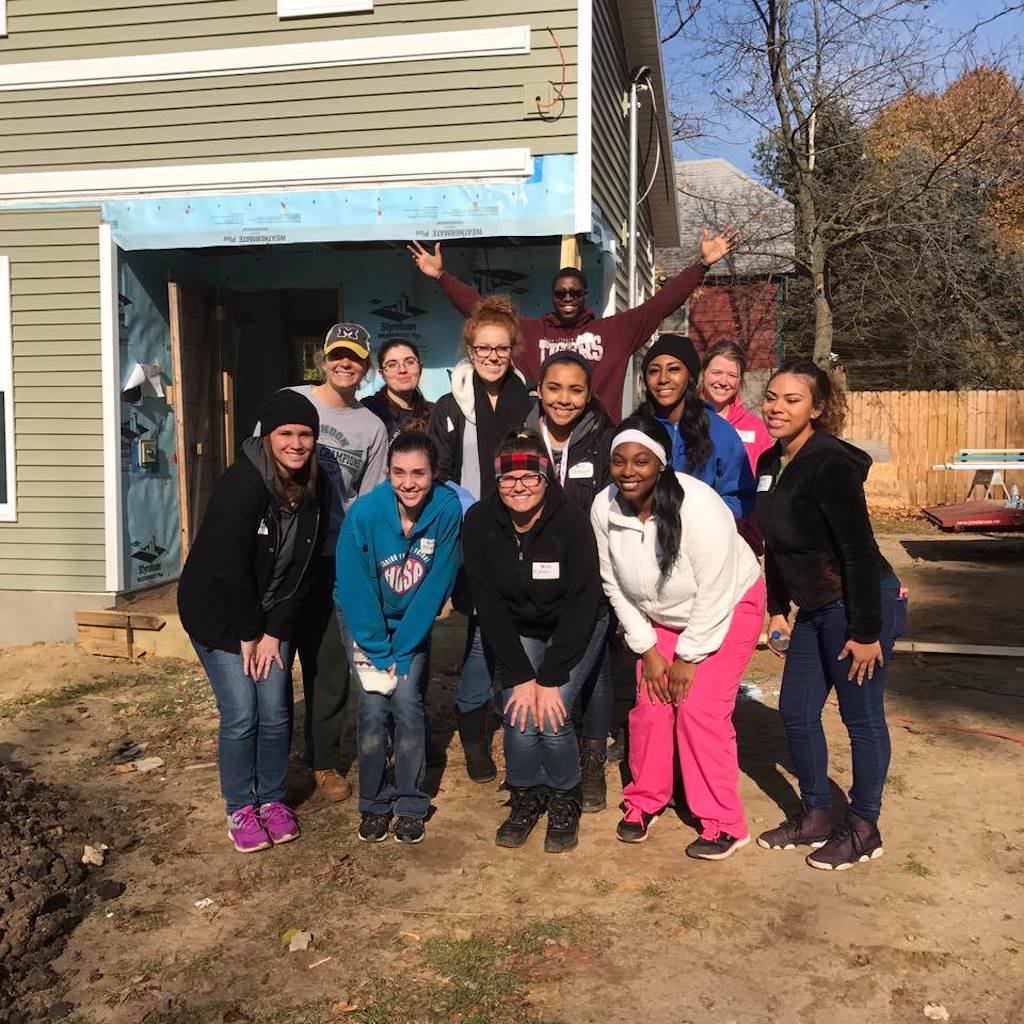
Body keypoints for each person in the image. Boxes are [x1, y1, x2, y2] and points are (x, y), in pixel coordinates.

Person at [590, 410, 765, 860]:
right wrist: (648, 649)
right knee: (650, 705)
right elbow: (613, 582)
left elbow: (716, 585)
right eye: (619, 461)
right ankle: (645, 799)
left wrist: (688, 657)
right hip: (661, 618)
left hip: (727, 605)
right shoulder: (603, 507)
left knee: (697, 709)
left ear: (661, 464)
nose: (629, 472)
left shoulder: (699, 505)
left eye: (641, 461)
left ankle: (724, 821)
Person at [755, 359, 906, 871]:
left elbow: (859, 550)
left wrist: (867, 632)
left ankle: (863, 826)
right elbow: (774, 547)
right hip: (815, 609)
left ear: (817, 409)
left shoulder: (830, 464)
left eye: (791, 400)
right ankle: (817, 812)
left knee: (860, 717)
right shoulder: (770, 464)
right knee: (796, 711)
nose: (777, 407)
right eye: (772, 397)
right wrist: (777, 609)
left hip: (859, 604)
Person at [178, 391, 324, 853]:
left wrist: (275, 632)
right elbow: (228, 566)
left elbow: (301, 569)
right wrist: (248, 633)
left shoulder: (314, 488)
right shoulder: (242, 483)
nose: (296, 444)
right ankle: (241, 806)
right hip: (219, 614)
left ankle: (273, 800)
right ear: (268, 435)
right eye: (286, 434)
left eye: (305, 435)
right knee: (243, 712)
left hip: (268, 615)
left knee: (276, 710)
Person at [407, 229, 739, 420]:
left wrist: (701, 266)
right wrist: (441, 277)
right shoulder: (532, 333)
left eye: (575, 292)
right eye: (561, 292)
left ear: (585, 295)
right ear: (553, 296)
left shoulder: (613, 333)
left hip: (597, 441)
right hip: (545, 438)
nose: (568, 297)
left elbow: (660, 305)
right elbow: (482, 313)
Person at [462, 429, 603, 853]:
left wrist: (549, 674)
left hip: (575, 625)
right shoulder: (480, 522)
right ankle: (526, 794)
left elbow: (583, 603)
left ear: (547, 478)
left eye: (530, 477)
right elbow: (488, 605)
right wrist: (520, 674)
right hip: (519, 625)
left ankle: (564, 796)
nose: (519, 487)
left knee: (553, 710)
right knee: (519, 709)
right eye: (508, 478)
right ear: (495, 480)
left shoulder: (572, 522)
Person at [334, 431, 462, 846]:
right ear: (387, 472)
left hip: (412, 619)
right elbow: (355, 587)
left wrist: (403, 651)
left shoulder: (445, 510)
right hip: (365, 617)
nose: (408, 483)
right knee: (373, 707)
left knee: (407, 703)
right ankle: (374, 802)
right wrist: (377, 649)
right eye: (399, 472)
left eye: (418, 473)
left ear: (435, 473)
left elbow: (436, 585)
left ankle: (410, 801)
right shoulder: (365, 514)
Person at [427, 295, 533, 783]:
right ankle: (473, 736)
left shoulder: (527, 403)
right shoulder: (450, 406)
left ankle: (521, 723)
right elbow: (438, 472)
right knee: (477, 636)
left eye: (501, 347)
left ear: (513, 349)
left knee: (513, 631)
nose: (492, 356)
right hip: (471, 537)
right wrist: (468, 510)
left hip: (521, 535)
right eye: (483, 348)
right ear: (470, 349)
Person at [287, 323, 388, 803]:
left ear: (365, 368)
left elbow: (367, 503)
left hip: (332, 557)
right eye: (337, 355)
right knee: (274, 661)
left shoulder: (371, 427)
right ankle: (274, 758)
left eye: (355, 358)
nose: (345, 364)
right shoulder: (292, 401)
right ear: (323, 359)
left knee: (328, 666)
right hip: (284, 557)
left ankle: (323, 762)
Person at [526, 350, 616, 812]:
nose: (564, 399)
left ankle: (593, 752)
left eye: (575, 389)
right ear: (539, 389)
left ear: (589, 393)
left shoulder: (605, 441)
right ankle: (544, 762)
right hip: (535, 580)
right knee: (551, 667)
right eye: (554, 388)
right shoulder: (520, 434)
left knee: (595, 666)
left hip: (589, 579)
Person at [641, 334, 755, 520]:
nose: (663, 379)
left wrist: (700, 518)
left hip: (702, 540)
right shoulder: (636, 429)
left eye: (674, 369)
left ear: (690, 376)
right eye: (654, 371)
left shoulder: (720, 432)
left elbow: (740, 497)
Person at [700, 339, 772, 473]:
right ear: (704, 373)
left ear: (740, 380)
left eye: (732, 375)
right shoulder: (685, 418)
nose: (723, 381)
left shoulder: (756, 429)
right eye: (716, 373)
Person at [362, 339, 434, 440]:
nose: (403, 370)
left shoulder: (435, 413)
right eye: (392, 365)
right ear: (382, 374)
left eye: (410, 362)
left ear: (420, 367)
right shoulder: (369, 410)